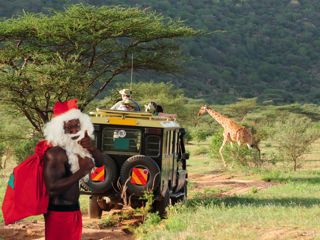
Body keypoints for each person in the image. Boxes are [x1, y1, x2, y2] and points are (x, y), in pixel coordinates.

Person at [43, 99, 103, 240]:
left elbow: (100, 163)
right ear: (59, 130)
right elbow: (52, 188)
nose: (75, 130)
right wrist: (82, 172)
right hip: (59, 214)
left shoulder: (78, 146)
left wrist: (91, 148)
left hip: (74, 211)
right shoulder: (55, 153)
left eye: (77, 125)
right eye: (69, 128)